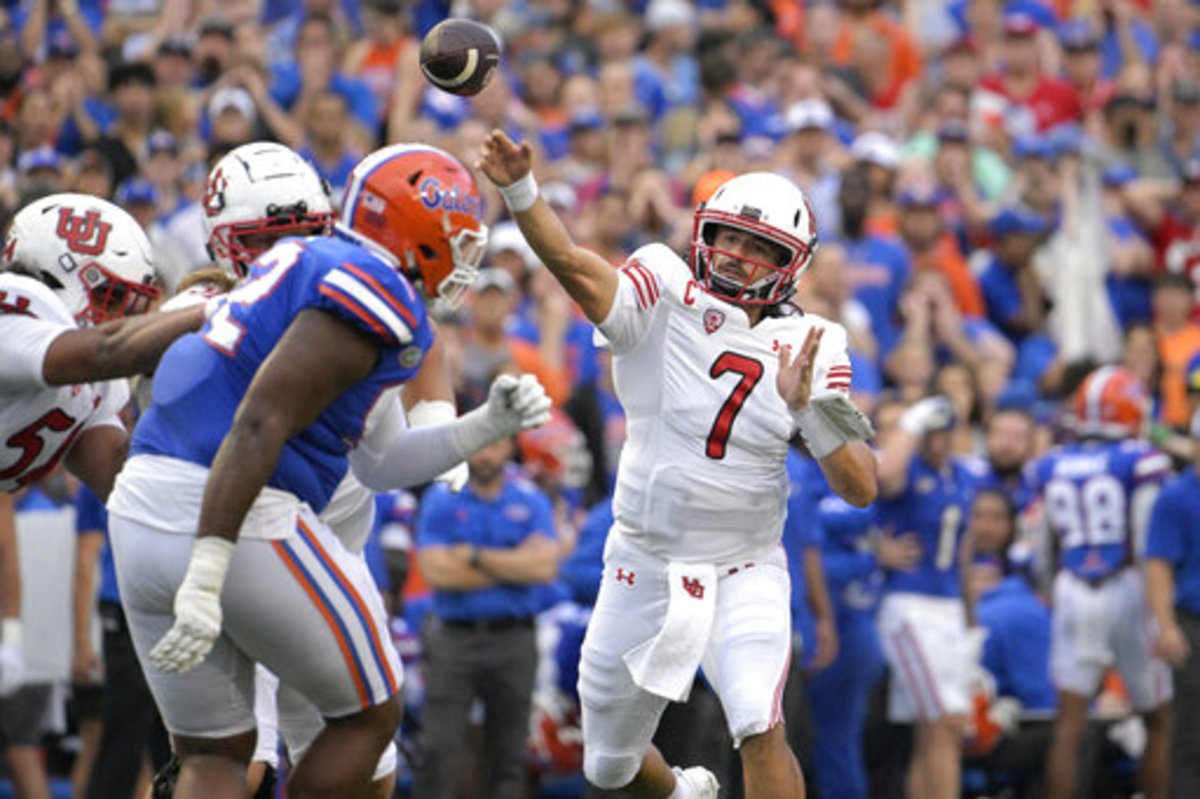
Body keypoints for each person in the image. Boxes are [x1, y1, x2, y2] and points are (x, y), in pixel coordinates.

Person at [104, 143, 548, 797]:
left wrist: (472, 426)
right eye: (267, 237)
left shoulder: (277, 287)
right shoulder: (344, 287)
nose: (287, 246)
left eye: (301, 228)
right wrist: (206, 561)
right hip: (249, 525)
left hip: (179, 517)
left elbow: (382, 456)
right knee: (362, 719)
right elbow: (253, 422)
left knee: (235, 754)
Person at [477, 130, 878, 799]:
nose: (740, 256)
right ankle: (682, 793)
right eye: (730, 238)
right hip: (644, 559)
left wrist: (809, 409)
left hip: (743, 563)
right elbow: (578, 268)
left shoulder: (815, 341)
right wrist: (521, 191)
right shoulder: (664, 284)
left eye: (761, 248)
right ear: (704, 233)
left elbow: (860, 485)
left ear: (791, 263)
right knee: (608, 763)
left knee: (759, 718)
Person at [0, 193, 207, 696]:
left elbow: (125, 481)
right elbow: (104, 350)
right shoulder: (15, 306)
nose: (121, 316)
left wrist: (173, 389)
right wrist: (215, 314)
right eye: (113, 298)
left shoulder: (92, 377)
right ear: (62, 272)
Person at [1034, 366, 1174, 799]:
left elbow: (1044, 543)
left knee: (1070, 722)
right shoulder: (1142, 459)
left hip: (1073, 586)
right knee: (1160, 719)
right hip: (1128, 586)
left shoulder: (1053, 462)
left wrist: (1049, 587)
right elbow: (1148, 535)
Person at [415, 432, 560, 798]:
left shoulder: (529, 498)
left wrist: (473, 556)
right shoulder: (442, 497)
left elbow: (543, 568)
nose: (486, 453)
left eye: (494, 443)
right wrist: (514, 562)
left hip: (514, 637)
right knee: (439, 748)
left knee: (509, 753)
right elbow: (436, 572)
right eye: (480, 442)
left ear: (509, 448)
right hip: (454, 637)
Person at [875, 395, 978, 799]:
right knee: (944, 724)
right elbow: (884, 475)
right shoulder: (907, 469)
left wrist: (971, 616)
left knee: (933, 730)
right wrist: (912, 421)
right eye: (929, 433)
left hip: (948, 607)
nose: (937, 441)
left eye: (942, 432)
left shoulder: (963, 477)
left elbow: (964, 554)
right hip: (910, 606)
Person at [1145, 407, 1200, 798]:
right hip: (1194, 621)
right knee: (1190, 735)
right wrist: (1165, 626)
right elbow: (1159, 565)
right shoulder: (1176, 497)